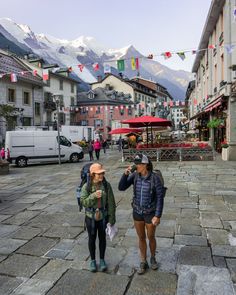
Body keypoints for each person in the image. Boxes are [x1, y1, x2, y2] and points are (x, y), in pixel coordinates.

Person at [118, 153, 165, 275]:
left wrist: (158, 215)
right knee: (141, 237)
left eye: (138, 164)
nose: (136, 166)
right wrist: (125, 174)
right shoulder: (134, 176)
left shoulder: (155, 178)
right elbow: (121, 187)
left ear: (145, 165)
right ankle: (143, 261)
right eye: (136, 164)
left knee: (150, 236)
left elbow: (160, 197)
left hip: (150, 213)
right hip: (137, 212)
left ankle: (153, 257)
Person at [80, 163, 116, 272]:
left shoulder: (106, 185)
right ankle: (92, 261)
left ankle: (102, 260)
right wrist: (93, 196)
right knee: (91, 239)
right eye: (99, 173)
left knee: (102, 238)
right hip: (90, 217)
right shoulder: (86, 186)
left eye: (102, 173)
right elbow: (83, 202)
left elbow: (111, 203)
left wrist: (111, 219)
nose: (101, 175)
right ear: (92, 174)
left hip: (103, 217)